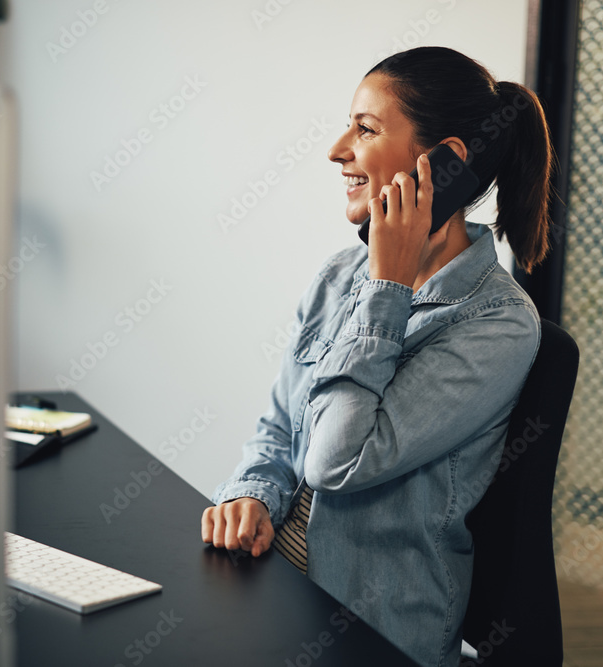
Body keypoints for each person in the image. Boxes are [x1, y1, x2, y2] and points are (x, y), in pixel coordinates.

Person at [200, 46, 553, 667]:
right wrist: (254, 494)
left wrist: (388, 288)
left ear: (443, 162)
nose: (338, 150)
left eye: (364, 129)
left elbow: (338, 459)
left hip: (366, 633)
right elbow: (282, 429)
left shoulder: (497, 325)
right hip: (273, 591)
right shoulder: (342, 275)